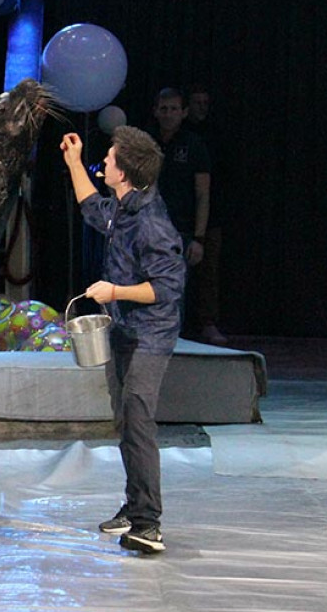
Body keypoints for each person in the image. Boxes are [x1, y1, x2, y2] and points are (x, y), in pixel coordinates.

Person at [60, 126, 185, 555]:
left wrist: (115, 292)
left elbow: (166, 288)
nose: (104, 164)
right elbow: (91, 209)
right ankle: (134, 507)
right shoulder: (122, 206)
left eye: (109, 159)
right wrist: (74, 163)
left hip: (152, 331)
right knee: (124, 419)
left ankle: (149, 523)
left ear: (126, 172)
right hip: (124, 328)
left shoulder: (152, 223)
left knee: (138, 417)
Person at [149, 86, 211, 333]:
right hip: (147, 229)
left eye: (174, 109)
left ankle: (175, 345)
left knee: (175, 293)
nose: (168, 114)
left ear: (184, 112)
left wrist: (198, 238)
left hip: (180, 231)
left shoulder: (194, 145)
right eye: (163, 109)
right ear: (155, 112)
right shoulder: (145, 143)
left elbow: (203, 194)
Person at [182, 84, 228, 345]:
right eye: (196, 103)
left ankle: (207, 322)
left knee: (208, 272)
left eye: (205, 103)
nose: (201, 108)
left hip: (209, 215)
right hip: (178, 216)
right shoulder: (178, 136)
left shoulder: (213, 137)